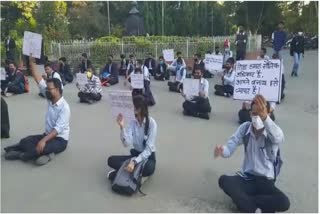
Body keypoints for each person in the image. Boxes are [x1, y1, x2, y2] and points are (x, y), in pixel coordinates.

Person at [215, 95, 290, 213]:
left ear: (268, 114)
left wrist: (264, 117)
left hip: (266, 182)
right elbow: (230, 148)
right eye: (254, 113)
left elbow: (279, 138)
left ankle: (245, 203)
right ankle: (255, 208)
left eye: (260, 113)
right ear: (250, 114)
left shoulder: (272, 131)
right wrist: (222, 150)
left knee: (284, 202)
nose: (256, 116)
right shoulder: (245, 128)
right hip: (247, 179)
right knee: (224, 180)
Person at [4, 56, 71, 166]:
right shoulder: (51, 98)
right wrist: (31, 62)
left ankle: (22, 155)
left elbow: (57, 130)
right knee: (26, 140)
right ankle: (35, 151)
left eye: (50, 89)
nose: (47, 91)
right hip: (47, 135)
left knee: (41, 147)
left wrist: (43, 141)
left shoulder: (65, 107)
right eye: (47, 89)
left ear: (58, 90)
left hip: (60, 140)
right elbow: (38, 79)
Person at [107, 95, 157, 183]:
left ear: (140, 109)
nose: (130, 108)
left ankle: (122, 172)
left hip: (148, 158)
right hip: (135, 154)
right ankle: (135, 173)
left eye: (132, 106)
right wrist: (122, 127)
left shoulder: (152, 124)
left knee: (149, 168)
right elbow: (127, 143)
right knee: (111, 160)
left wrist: (134, 161)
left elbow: (148, 150)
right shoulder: (132, 122)